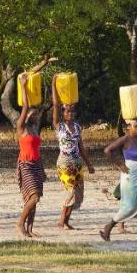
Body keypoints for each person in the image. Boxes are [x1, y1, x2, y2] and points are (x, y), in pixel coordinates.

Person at [100, 117, 137, 244]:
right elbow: (107, 151)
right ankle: (108, 227)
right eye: (135, 126)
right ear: (128, 127)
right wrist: (120, 164)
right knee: (129, 206)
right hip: (130, 175)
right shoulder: (125, 139)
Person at [52, 77, 93, 230]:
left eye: (72, 110)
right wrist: (54, 84)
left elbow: (81, 146)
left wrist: (89, 164)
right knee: (71, 192)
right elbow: (55, 105)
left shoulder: (77, 126)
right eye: (67, 111)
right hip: (64, 163)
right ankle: (61, 221)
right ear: (62, 113)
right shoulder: (59, 126)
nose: (70, 113)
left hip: (77, 163)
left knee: (79, 193)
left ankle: (67, 221)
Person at [16, 80, 45, 238]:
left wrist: (43, 169)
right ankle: (20, 224)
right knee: (32, 197)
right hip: (25, 165)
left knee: (36, 198)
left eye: (37, 114)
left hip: (36, 165)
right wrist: (23, 86)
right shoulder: (22, 127)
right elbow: (25, 106)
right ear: (25, 116)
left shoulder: (34, 129)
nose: (36, 116)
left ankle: (30, 228)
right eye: (32, 114)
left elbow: (37, 150)